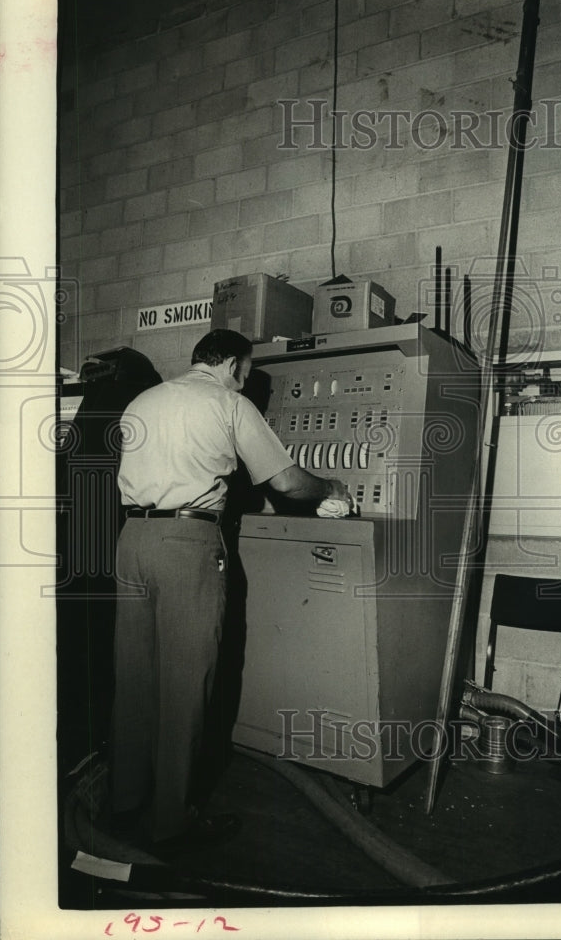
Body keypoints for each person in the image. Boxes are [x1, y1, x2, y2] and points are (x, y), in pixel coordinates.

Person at [110, 329, 349, 851]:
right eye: (247, 369)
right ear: (236, 366)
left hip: (132, 539)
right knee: (185, 683)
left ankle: (123, 802)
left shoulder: (143, 400)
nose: (246, 378)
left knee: (133, 677)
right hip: (186, 541)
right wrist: (331, 489)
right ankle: (170, 822)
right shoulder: (228, 403)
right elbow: (285, 483)